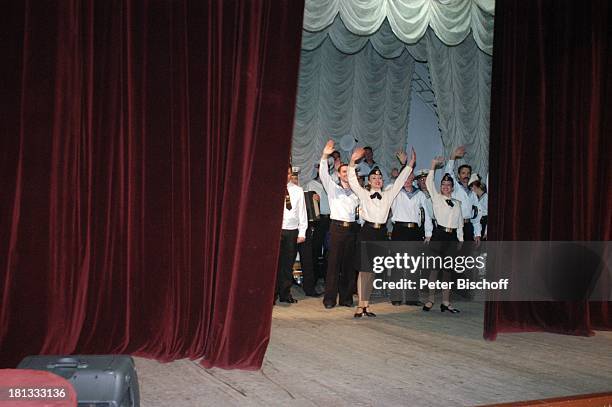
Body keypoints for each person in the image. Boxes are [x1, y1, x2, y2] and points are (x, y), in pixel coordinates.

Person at [348, 146, 416, 318]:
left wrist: (409, 164)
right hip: (367, 232)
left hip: (381, 234)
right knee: (363, 270)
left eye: (380, 177)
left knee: (372, 272)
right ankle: (360, 306)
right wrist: (352, 162)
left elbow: (400, 181)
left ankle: (367, 304)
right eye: (374, 177)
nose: (377, 179)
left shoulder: (388, 194)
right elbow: (353, 181)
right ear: (369, 181)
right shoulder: (363, 194)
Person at [318, 140, 361, 309]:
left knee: (349, 266)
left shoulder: (358, 191)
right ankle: (329, 299)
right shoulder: (333, 188)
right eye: (343, 172)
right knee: (333, 265)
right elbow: (323, 173)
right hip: (336, 229)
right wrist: (325, 155)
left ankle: (346, 298)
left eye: (348, 172)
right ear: (338, 174)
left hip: (352, 229)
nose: (345, 174)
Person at [424, 157, 464, 313]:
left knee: (448, 271)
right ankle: (430, 300)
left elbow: (460, 223)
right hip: (439, 235)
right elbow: (428, 184)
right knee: (434, 270)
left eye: (449, 184)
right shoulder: (436, 198)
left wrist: (461, 239)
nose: (446, 186)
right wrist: (433, 166)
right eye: (443, 184)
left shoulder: (458, 203)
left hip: (452, 237)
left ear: (452, 187)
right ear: (440, 187)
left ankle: (446, 302)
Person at [387, 171, 433, 306]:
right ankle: (396, 297)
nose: (407, 180)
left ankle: (412, 298)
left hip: (414, 231)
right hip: (399, 230)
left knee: (413, 266)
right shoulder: (394, 191)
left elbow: (427, 215)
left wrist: (428, 232)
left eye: (409, 177)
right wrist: (396, 177)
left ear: (413, 178)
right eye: (404, 177)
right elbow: (387, 188)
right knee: (398, 265)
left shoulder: (419, 194)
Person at [275, 165, 307, 304]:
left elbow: (302, 212)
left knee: (288, 264)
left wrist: (302, 232)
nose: (286, 175)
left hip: (291, 231)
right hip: (276, 230)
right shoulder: (273, 188)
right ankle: (272, 295)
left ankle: (285, 293)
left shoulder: (298, 190)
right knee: (275, 264)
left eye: (288, 173)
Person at [302, 165, 331, 294]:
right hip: (318, 220)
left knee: (329, 251)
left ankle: (327, 279)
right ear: (318, 170)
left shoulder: (332, 184)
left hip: (331, 219)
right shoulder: (310, 184)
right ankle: (313, 281)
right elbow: (306, 203)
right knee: (315, 250)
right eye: (320, 168)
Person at [444, 146, 482, 244]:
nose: (466, 175)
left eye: (468, 173)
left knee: (467, 255)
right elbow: (448, 173)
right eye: (463, 173)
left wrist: (477, 233)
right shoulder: (455, 187)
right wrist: (453, 156)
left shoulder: (473, 192)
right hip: (456, 225)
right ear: (458, 175)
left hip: (468, 226)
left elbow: (476, 214)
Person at [469, 174, 488, 240]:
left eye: (471, 187)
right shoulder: (476, 198)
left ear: (474, 186)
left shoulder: (486, 197)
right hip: (478, 224)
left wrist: (486, 231)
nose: (471, 190)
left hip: (484, 223)